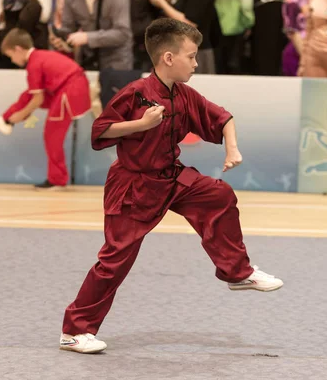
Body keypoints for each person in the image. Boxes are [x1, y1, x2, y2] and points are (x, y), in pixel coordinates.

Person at [59, 18, 284, 354]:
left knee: (217, 194)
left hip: (172, 176)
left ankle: (237, 273)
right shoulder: (135, 93)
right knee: (114, 261)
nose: (196, 63)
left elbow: (223, 118)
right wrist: (141, 122)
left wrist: (232, 147)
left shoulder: (184, 94)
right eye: (191, 57)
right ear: (168, 58)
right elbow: (100, 133)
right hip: (134, 186)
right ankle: (74, 332)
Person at [0, 28, 91, 190]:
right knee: (28, 95)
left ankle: (57, 180)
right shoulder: (38, 57)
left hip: (70, 91)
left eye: (11, 56)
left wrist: (21, 115)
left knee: (52, 134)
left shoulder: (34, 64)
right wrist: (18, 115)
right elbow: (34, 96)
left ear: (18, 49)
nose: (12, 60)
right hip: (68, 88)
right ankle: (5, 120)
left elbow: (38, 100)